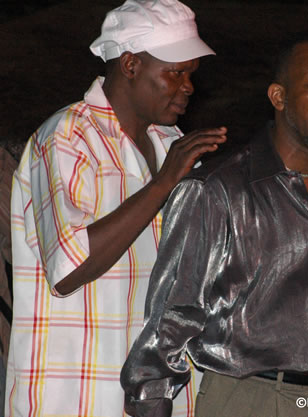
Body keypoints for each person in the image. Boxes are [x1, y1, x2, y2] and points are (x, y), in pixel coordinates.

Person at [120, 34, 308, 417]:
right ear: (279, 97)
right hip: (251, 397)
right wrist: (151, 404)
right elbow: (171, 318)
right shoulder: (218, 188)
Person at [6, 1, 226, 415]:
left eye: (191, 75)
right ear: (129, 65)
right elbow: (69, 268)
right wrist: (163, 183)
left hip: (157, 398)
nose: (188, 87)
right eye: (175, 73)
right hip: (78, 394)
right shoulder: (68, 138)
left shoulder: (170, 144)